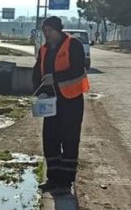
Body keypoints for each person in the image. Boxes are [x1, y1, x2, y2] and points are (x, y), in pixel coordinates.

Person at [32, 16, 91, 196]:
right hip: (51, 102)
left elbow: (78, 69)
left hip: (71, 101)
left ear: (59, 30)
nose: (47, 34)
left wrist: (55, 78)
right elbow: (37, 72)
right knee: (50, 139)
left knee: (69, 140)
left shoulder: (73, 44)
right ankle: (53, 178)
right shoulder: (44, 49)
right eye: (45, 31)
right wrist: (37, 92)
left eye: (50, 31)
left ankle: (65, 183)